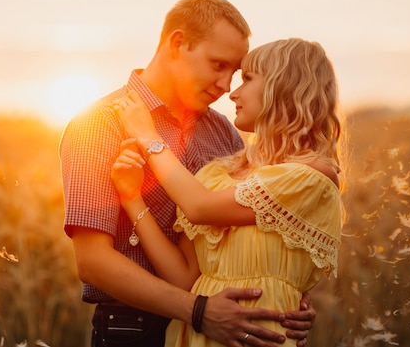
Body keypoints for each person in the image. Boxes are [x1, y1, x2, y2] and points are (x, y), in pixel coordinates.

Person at [59, 0, 316, 347]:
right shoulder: (99, 123)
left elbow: (254, 227)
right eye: (217, 65)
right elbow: (92, 262)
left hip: (224, 328)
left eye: (235, 73)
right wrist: (198, 310)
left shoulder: (224, 132)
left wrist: (288, 297)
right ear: (178, 43)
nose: (227, 86)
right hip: (134, 329)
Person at [111, 37, 343, 347]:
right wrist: (131, 197)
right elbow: (185, 280)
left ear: (283, 88)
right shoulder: (218, 174)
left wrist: (146, 135)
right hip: (197, 337)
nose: (232, 92)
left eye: (247, 78)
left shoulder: (310, 177)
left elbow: (198, 207)